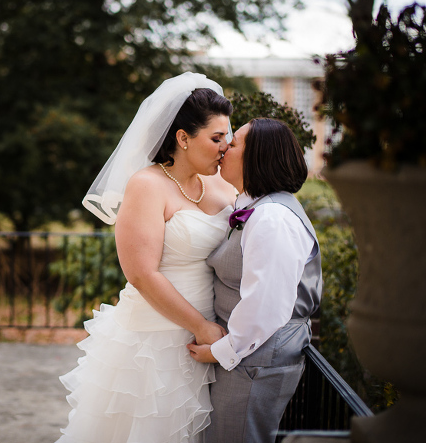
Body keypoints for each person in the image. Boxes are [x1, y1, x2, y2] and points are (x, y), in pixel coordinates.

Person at [57, 72, 238, 443]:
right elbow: (141, 273)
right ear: (183, 138)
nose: (225, 147)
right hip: (155, 341)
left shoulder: (223, 183)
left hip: (214, 334)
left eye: (228, 137)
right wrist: (200, 326)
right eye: (216, 138)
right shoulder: (147, 185)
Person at [187, 118, 323, 443]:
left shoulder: (272, 217)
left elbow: (267, 304)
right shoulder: (259, 207)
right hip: (250, 357)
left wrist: (220, 351)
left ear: (257, 157)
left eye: (233, 143)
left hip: (255, 360)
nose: (224, 148)